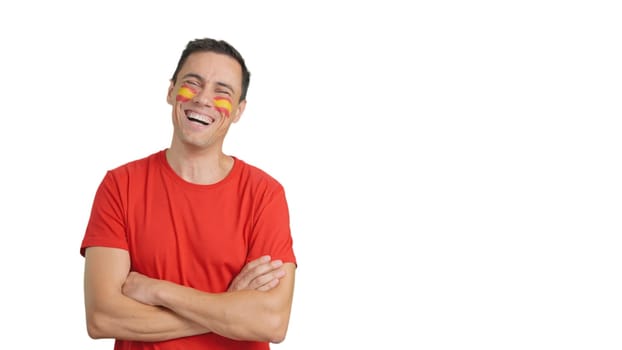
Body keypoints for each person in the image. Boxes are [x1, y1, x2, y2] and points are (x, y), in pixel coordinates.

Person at [80, 37, 297, 350]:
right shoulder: (120, 185)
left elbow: (271, 322)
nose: (204, 99)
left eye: (222, 91)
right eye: (193, 84)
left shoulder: (264, 194)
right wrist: (229, 307)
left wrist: (158, 291)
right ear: (171, 91)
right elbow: (102, 317)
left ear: (238, 111)